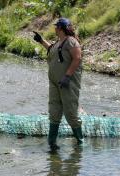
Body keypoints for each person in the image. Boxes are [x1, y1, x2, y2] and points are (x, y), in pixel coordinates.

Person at [33, 18, 83, 151]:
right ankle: (52, 144)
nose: (54, 29)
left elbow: (78, 58)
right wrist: (41, 40)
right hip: (55, 83)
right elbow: (52, 49)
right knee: (54, 112)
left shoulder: (71, 41)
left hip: (67, 83)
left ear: (61, 28)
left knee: (70, 113)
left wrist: (67, 76)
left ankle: (80, 142)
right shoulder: (58, 42)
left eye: (56, 27)